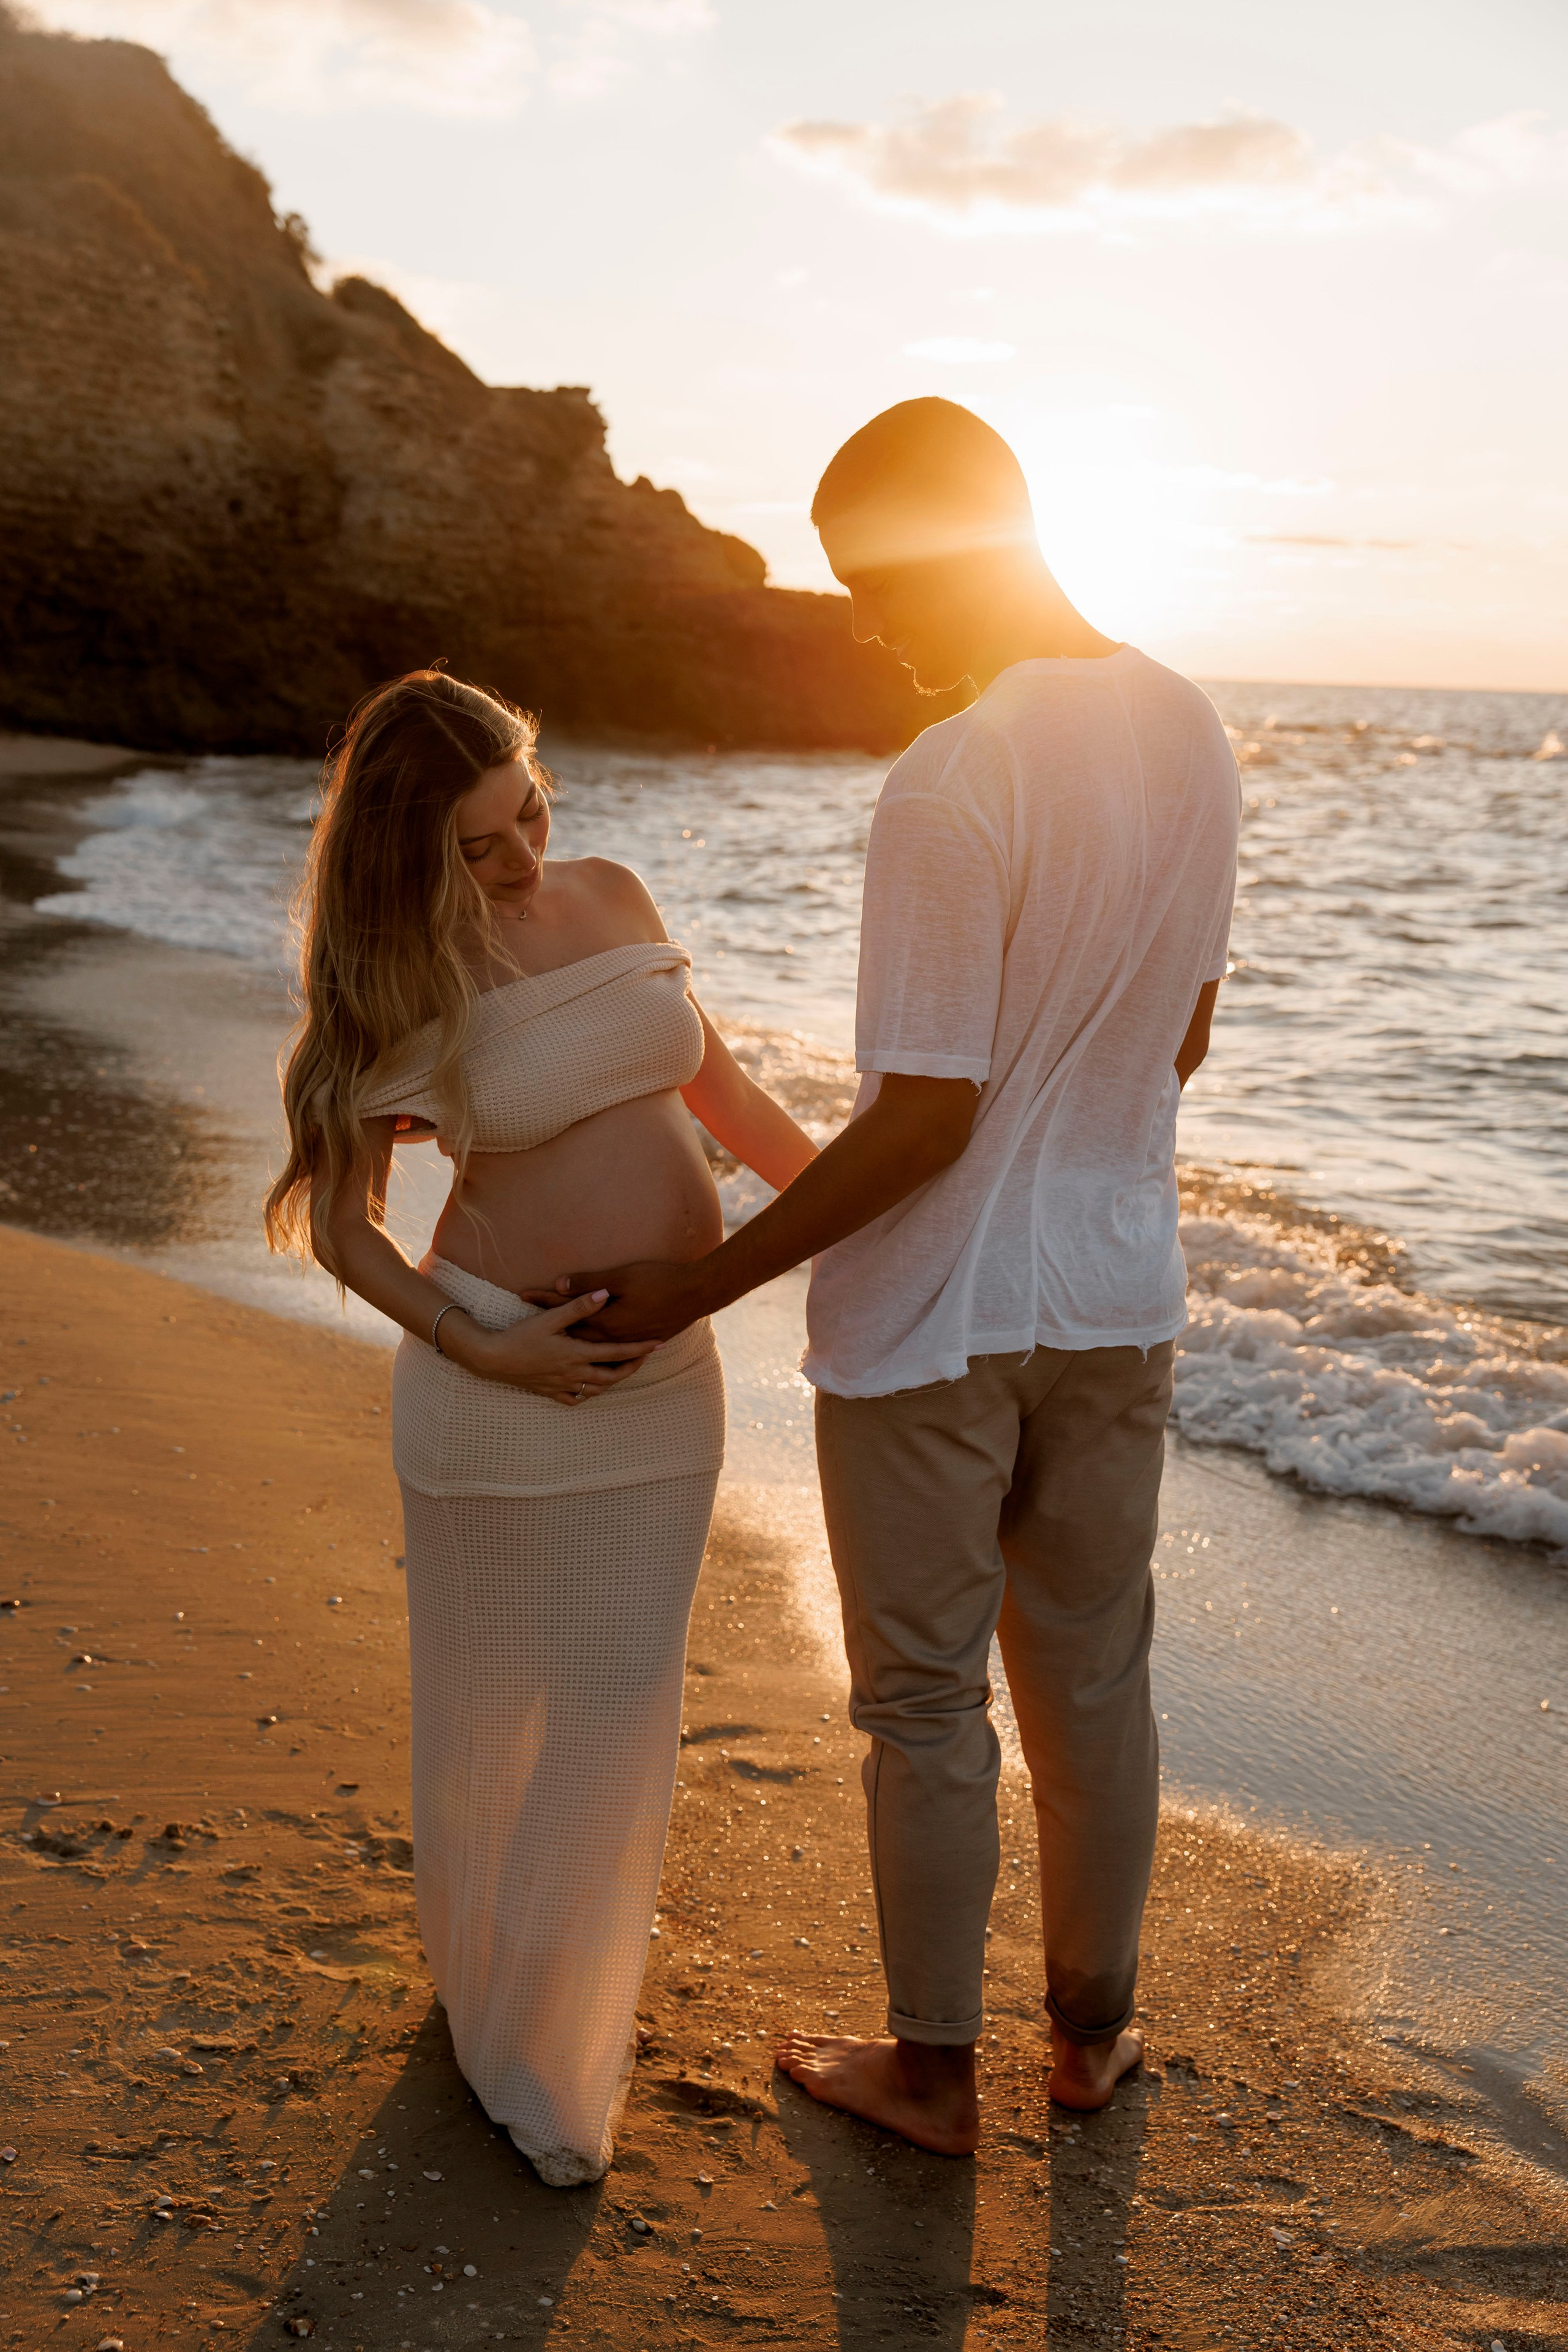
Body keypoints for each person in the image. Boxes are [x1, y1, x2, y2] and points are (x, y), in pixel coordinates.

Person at [560, 399, 1241, 2154]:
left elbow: (924, 1118)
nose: (869, 625)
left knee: (926, 1701)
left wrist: (701, 1282)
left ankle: (932, 2072)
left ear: (965, 538)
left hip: (939, 1323)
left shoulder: (957, 774)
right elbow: (1183, 1037)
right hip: (1118, 1299)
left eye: (876, 581)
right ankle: (1090, 2038)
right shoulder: (1193, 732)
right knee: (1095, 1675)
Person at [264, 670, 816, 2186]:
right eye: (478, 846)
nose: (521, 862)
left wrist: (857, 1210)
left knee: (620, 1698)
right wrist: (484, 1349)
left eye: (527, 816)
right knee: (488, 1706)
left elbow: (723, 1089)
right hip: (491, 1389)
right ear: (402, 852)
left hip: (663, 1388)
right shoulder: (387, 977)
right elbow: (348, 1228)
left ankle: (545, 2032)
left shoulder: (612, 891)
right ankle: (508, 2031)